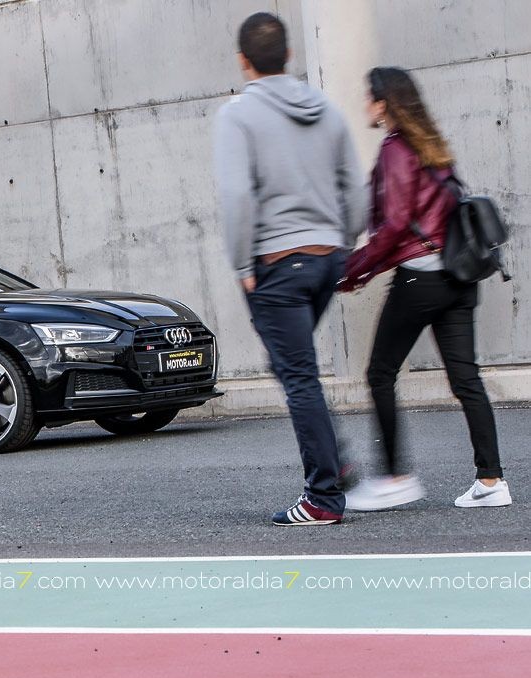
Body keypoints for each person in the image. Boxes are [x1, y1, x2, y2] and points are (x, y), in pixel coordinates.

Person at [214, 12, 365, 526]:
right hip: (327, 259)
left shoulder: (238, 115)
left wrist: (242, 262)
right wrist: (345, 243)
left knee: (298, 376)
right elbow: (355, 188)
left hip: (277, 265)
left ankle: (323, 497)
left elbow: (237, 196)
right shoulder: (327, 108)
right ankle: (335, 460)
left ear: (244, 60)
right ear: (289, 55)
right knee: (290, 365)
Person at [338, 67, 512, 510]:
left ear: (384, 104)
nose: (365, 105)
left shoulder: (396, 148)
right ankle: (491, 480)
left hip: (421, 278)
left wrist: (355, 270)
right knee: (466, 379)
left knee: (380, 373)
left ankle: (395, 477)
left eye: (369, 97)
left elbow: (397, 224)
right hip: (458, 279)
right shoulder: (432, 144)